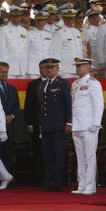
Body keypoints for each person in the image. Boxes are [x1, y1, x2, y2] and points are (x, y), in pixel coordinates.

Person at [70, 57, 104, 195]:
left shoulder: (93, 83)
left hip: (89, 125)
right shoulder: (75, 83)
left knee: (89, 156)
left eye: (80, 66)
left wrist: (96, 123)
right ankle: (81, 184)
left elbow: (98, 104)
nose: (77, 69)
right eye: (77, 66)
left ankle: (90, 186)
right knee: (80, 157)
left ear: (88, 67)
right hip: (77, 125)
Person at [37, 58, 72, 192]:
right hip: (46, 125)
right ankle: (48, 181)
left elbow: (68, 104)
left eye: (52, 68)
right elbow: (41, 106)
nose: (49, 70)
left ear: (57, 69)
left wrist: (69, 122)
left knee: (57, 154)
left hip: (58, 124)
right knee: (47, 155)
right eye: (47, 68)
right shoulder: (43, 85)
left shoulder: (62, 83)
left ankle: (56, 183)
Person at [0, 62, 20, 171]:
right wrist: (2, 117)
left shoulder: (12, 88)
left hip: (9, 127)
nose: (4, 74)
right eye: (2, 72)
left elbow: (17, 106)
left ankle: (7, 178)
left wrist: (12, 116)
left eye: (6, 72)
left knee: (8, 154)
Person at [25, 61, 48, 186]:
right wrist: (29, 123)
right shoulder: (33, 85)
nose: (43, 70)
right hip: (36, 123)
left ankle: (49, 177)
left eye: (45, 68)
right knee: (38, 151)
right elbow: (29, 106)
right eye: (41, 68)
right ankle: (39, 179)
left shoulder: (56, 83)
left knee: (49, 151)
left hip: (50, 124)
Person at [0, 6, 29, 78]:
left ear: (21, 17)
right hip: (9, 68)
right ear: (10, 17)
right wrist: (2, 69)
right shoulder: (3, 29)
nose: (16, 19)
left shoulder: (24, 30)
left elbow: (26, 50)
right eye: (14, 16)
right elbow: (1, 50)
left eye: (18, 16)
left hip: (22, 68)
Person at [52, 8, 83, 78]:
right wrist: (59, 69)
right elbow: (56, 52)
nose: (69, 20)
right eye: (67, 18)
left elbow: (80, 51)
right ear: (63, 18)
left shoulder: (77, 32)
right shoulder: (58, 32)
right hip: (65, 70)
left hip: (77, 69)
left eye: (71, 18)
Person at [26, 11, 53, 78]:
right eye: (38, 20)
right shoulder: (29, 33)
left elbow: (51, 52)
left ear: (45, 21)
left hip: (47, 69)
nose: (39, 22)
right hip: (33, 69)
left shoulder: (49, 34)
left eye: (42, 20)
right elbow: (25, 52)